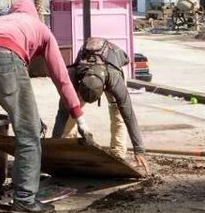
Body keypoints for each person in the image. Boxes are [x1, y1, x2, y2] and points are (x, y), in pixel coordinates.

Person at [0, 0, 88, 213]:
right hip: (6, 60)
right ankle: (24, 200)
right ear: (34, 13)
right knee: (28, 134)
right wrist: (78, 116)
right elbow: (61, 77)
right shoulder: (40, 27)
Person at [51, 37, 149, 173]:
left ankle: (118, 154)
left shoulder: (114, 78)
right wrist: (54, 148)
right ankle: (67, 144)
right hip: (88, 72)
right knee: (71, 107)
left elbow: (129, 115)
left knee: (118, 113)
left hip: (111, 67)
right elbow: (62, 113)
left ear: (104, 87)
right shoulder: (73, 74)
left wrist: (139, 150)